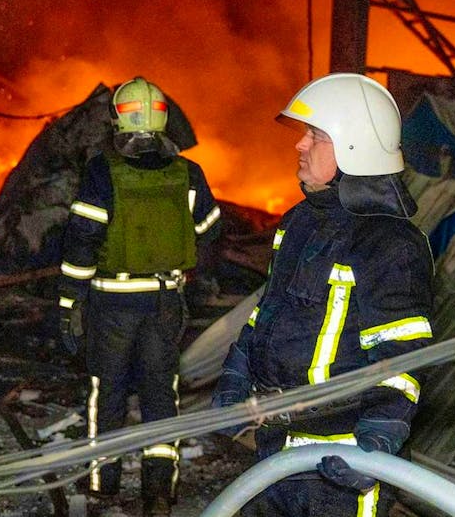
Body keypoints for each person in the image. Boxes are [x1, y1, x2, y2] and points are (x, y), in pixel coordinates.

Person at [212, 73, 435, 516]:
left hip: (341, 465)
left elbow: (405, 357)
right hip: (277, 449)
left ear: (356, 146)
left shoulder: (389, 243)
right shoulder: (298, 223)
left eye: (315, 136)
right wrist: (239, 371)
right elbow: (267, 312)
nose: (300, 145)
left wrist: (376, 444)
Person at [57, 76, 221, 516]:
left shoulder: (101, 172)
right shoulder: (189, 173)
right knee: (160, 395)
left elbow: (82, 241)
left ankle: (103, 484)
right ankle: (158, 493)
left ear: (118, 122)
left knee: (106, 391)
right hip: (166, 302)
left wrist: (68, 302)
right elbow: (209, 231)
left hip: (112, 302)